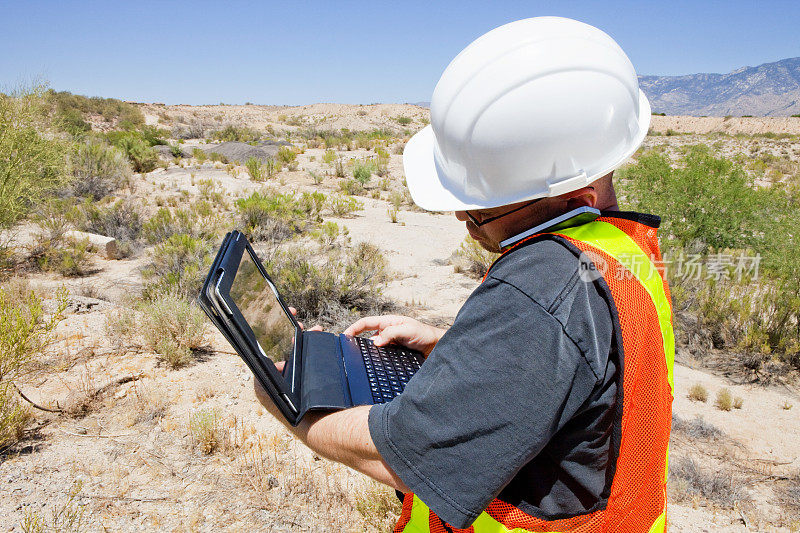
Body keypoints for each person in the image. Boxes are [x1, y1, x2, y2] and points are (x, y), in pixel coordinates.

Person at [255, 16, 674, 532]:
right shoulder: (618, 250)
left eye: (480, 210)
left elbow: (405, 457)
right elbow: (579, 370)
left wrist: (290, 403)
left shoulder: (540, 289)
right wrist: (448, 345)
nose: (463, 219)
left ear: (574, 197)